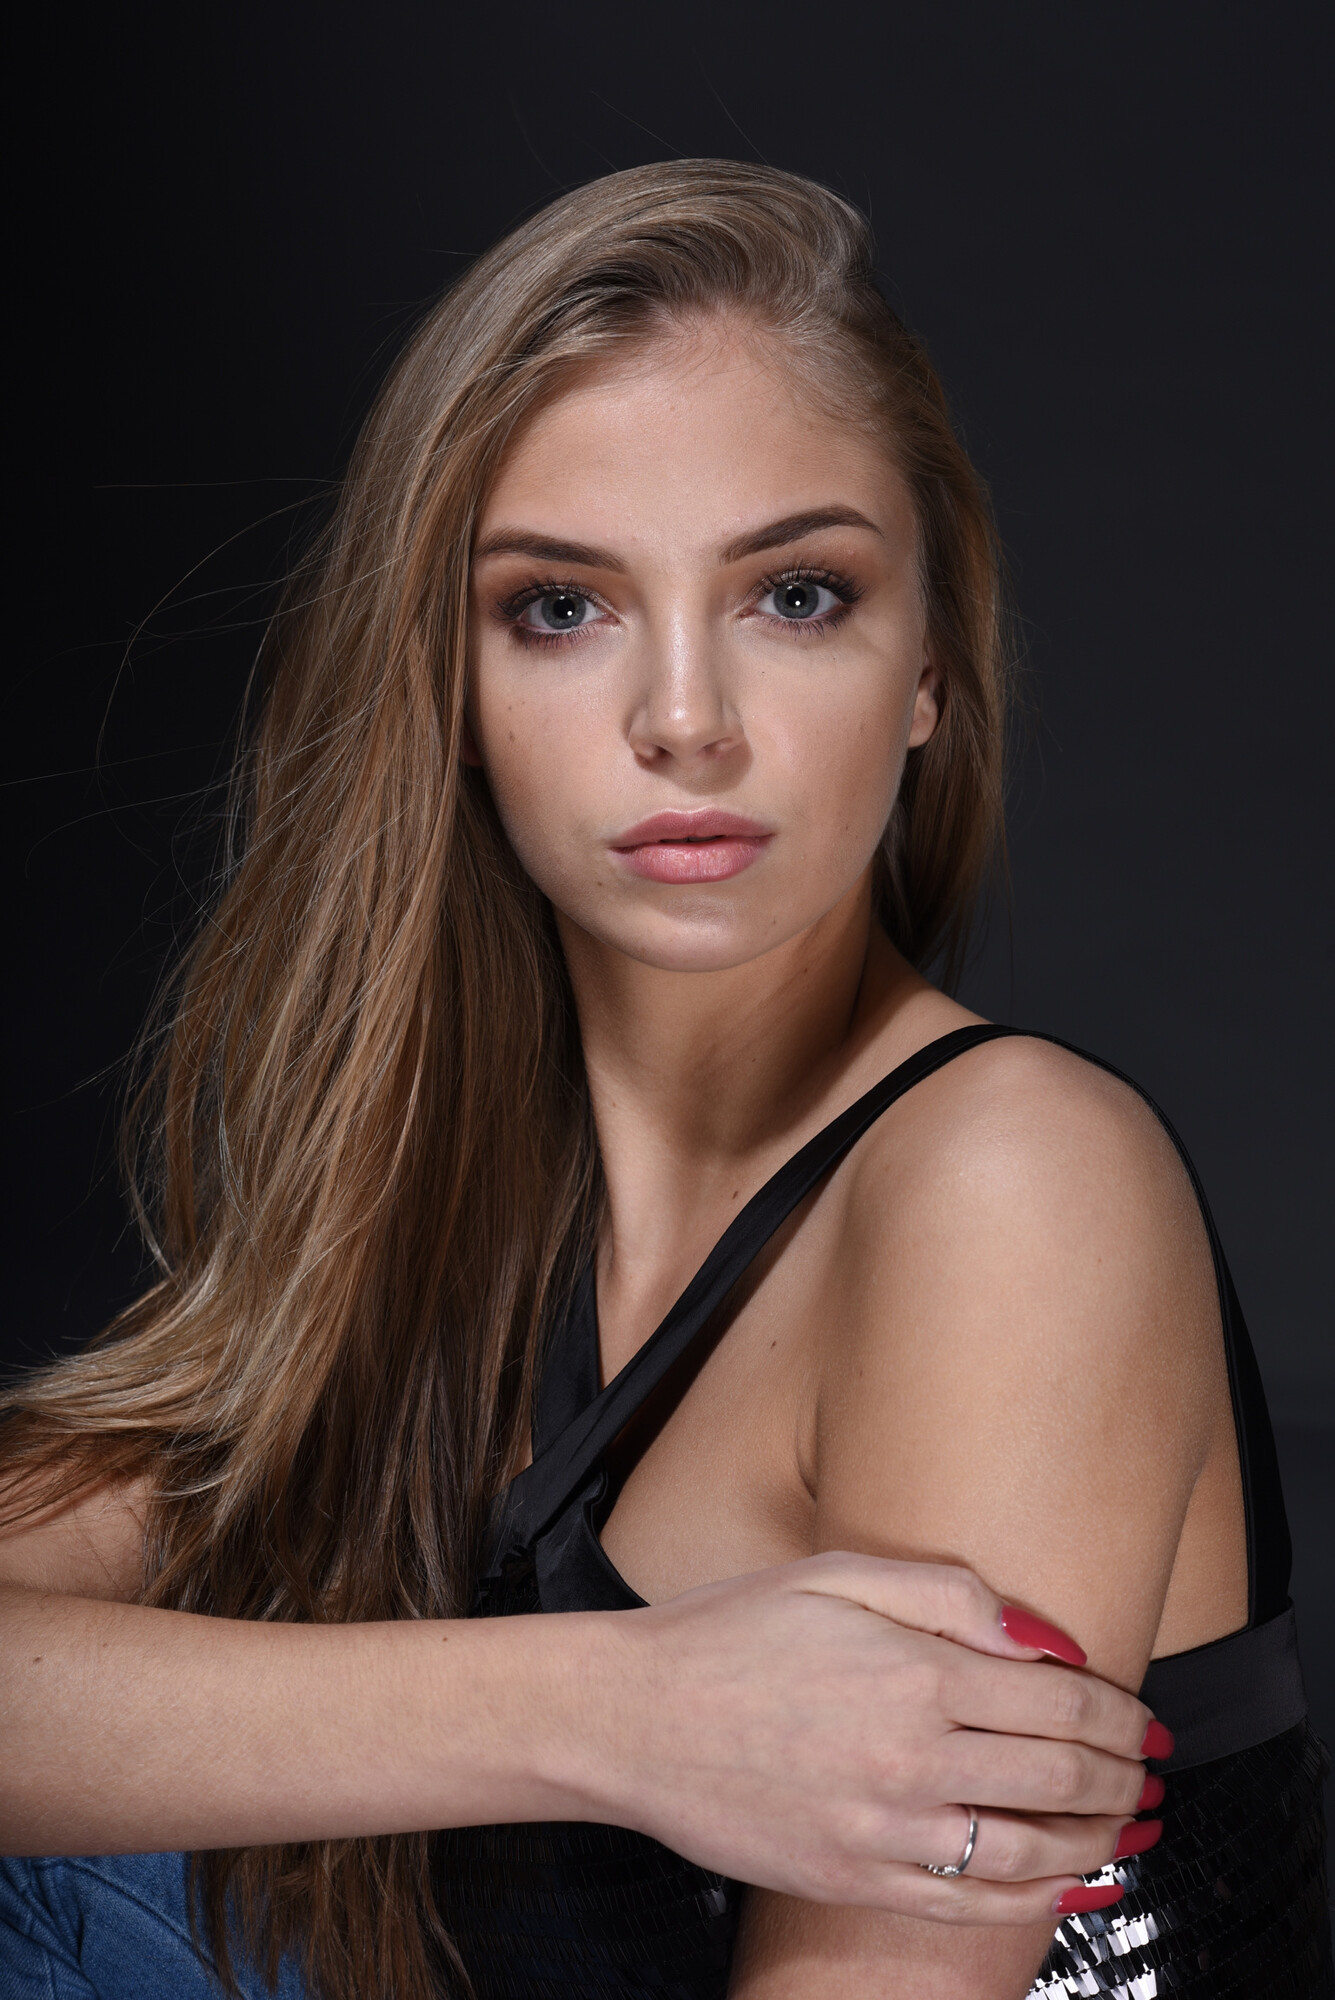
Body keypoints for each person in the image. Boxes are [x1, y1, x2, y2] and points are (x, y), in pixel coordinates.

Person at [0, 160, 1327, 2000]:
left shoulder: (1014, 1181)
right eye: (561, 608)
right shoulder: (454, 1214)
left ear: (930, 673)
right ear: (450, 693)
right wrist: (626, 1712)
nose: (683, 719)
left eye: (796, 593)